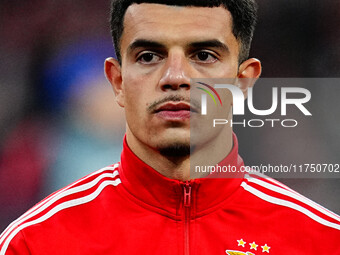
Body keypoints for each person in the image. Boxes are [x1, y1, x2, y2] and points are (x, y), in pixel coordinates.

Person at [1, 0, 339, 254]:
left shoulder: (322, 240)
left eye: (204, 55)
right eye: (149, 56)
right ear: (117, 82)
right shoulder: (33, 242)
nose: (175, 78)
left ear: (244, 83)